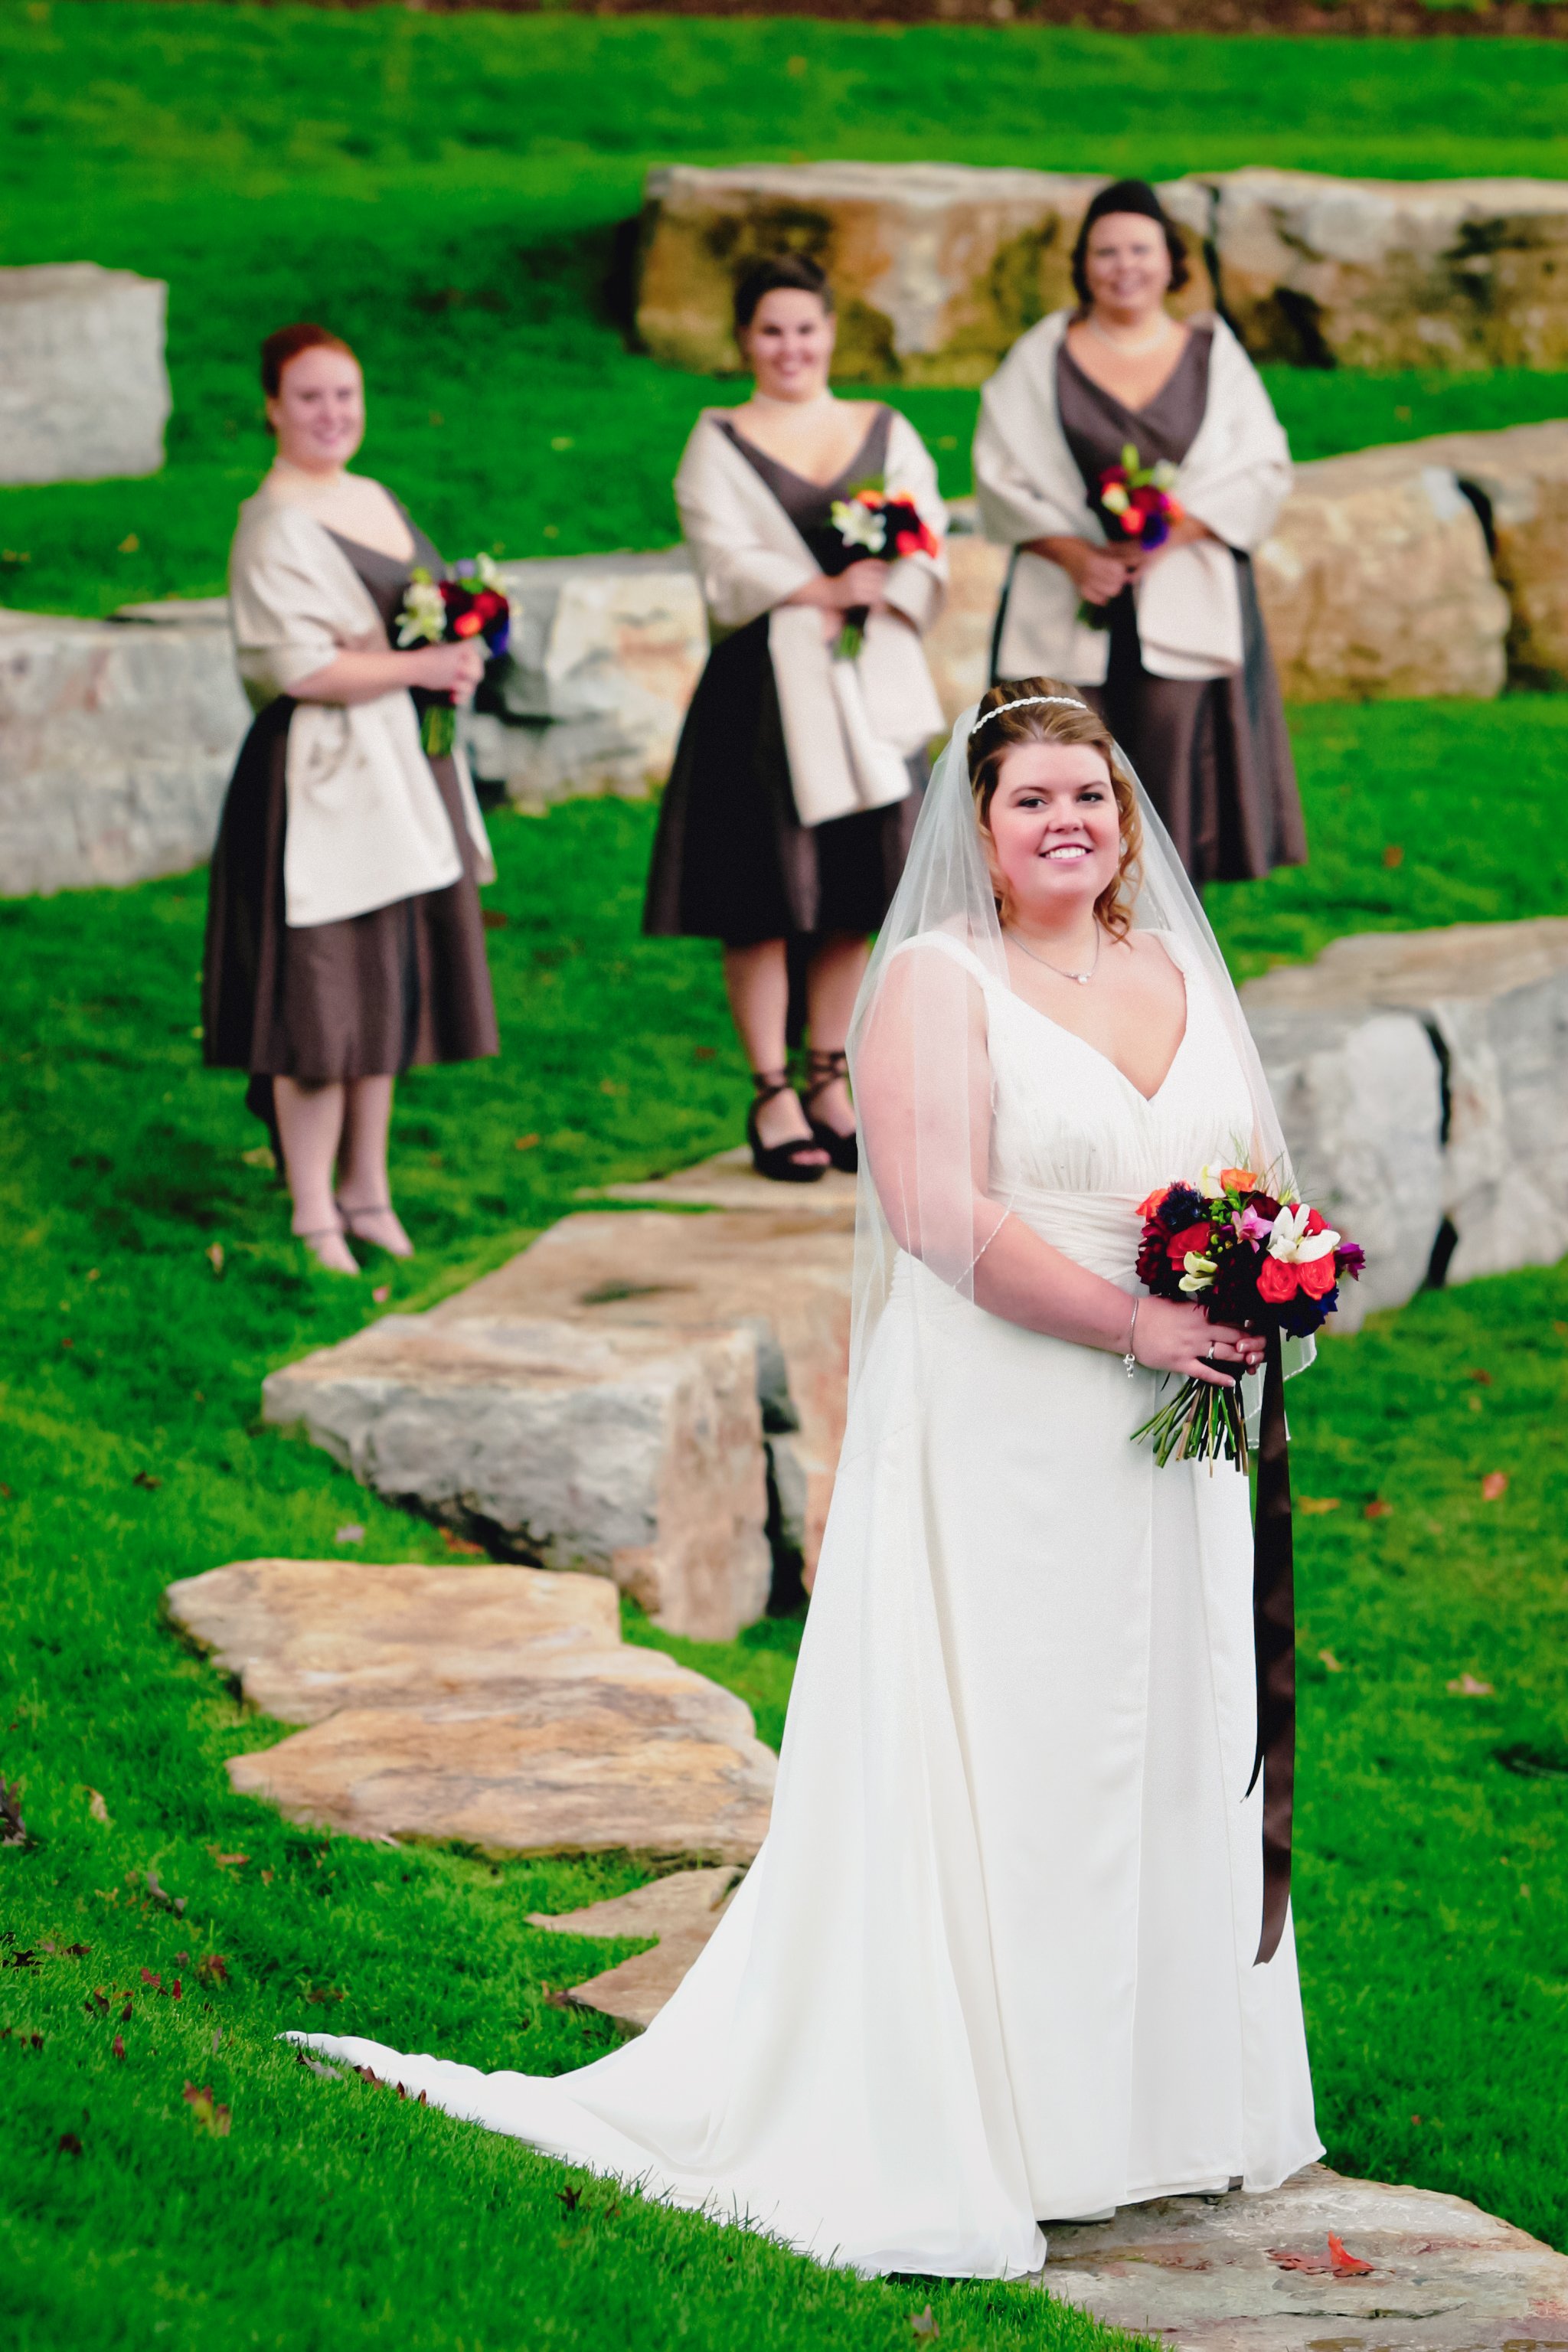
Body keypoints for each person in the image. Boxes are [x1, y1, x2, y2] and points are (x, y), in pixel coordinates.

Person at [295, 681, 1322, 2278]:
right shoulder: (932, 979)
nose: (1067, 822)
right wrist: (1133, 1318)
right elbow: (935, 1216)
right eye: (1033, 800)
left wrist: (1255, 1294)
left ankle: (1157, 2111)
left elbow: (1246, 1172)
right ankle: (1004, 2111)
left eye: (1092, 799)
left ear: (1126, 824)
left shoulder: (1173, 967)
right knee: (1020, 1742)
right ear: (976, 834)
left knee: (1171, 1734)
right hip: (1012, 1422)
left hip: (1171, 1434)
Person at [644, 253, 948, 1181]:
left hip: (863, 686)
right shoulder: (718, 440)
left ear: (829, 332)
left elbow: (926, 528)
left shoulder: (882, 428)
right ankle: (770, 1089)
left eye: (805, 329)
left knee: (855, 889)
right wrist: (815, 585)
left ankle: (828, 1076)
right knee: (763, 897)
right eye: (770, 331)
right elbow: (722, 560)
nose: (789, 347)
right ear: (745, 339)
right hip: (760, 696)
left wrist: (881, 584)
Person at [203, 323, 498, 1273]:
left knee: (386, 991)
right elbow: (292, 664)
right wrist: (421, 664)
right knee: (320, 1000)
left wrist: (457, 661)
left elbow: (432, 613)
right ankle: (309, 1211)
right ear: (271, 407)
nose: (332, 415)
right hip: (320, 780)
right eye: (310, 398)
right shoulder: (273, 522)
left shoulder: (370, 496)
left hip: (403, 770)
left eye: (346, 395)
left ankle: (368, 1192)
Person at [973, 180, 1306, 886]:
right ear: (1083, 264)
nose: (1123, 266)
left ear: (1170, 261)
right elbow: (998, 475)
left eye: (1138, 250)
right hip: (1068, 604)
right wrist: (1070, 553)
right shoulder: (1041, 357)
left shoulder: (1213, 355)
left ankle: (1171, 974)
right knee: (1056, 788)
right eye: (1106, 252)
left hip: (1181, 602)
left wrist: (1170, 535)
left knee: (1170, 807)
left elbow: (1263, 469)